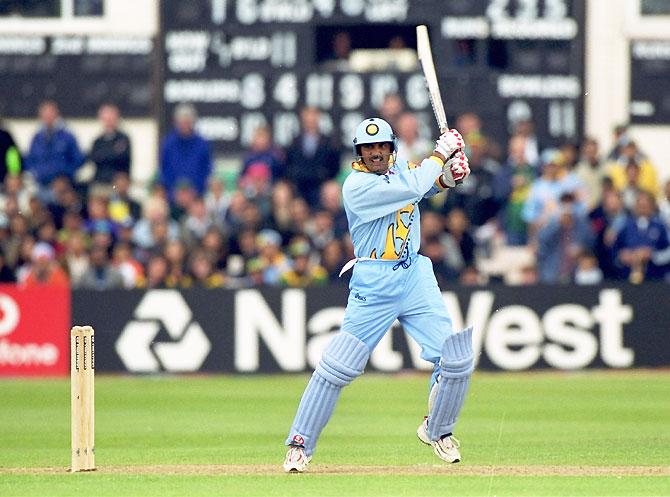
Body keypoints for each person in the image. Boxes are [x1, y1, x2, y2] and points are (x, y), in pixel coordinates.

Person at [283, 117, 473, 472]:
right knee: (338, 366)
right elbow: (412, 187)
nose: (375, 153)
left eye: (381, 146)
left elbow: (421, 188)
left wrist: (447, 178)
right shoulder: (355, 186)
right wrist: (439, 156)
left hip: (414, 273)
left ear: (391, 148)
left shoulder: (400, 168)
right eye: (368, 148)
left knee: (456, 358)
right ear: (359, 153)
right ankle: (299, 443)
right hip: (375, 278)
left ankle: (438, 430)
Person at [24, 100, 85, 191]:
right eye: (45, 114)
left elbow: (78, 159)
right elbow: (30, 159)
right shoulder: (37, 138)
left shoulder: (67, 136)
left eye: (50, 113)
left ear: (57, 114)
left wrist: (65, 175)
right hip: (40, 185)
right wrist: (35, 173)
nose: (48, 117)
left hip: (62, 186)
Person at [159, 103, 212, 201]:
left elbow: (207, 171)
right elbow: (164, 171)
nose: (184, 125)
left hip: (196, 198)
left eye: (187, 122)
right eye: (182, 122)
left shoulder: (203, 144)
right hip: (172, 199)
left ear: (193, 122)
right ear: (176, 122)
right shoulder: (168, 144)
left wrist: (195, 192)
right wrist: (174, 193)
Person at [88, 103, 132, 185]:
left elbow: (121, 157)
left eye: (111, 118)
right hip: (100, 180)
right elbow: (93, 158)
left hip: (117, 183)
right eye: (106, 119)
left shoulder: (123, 139)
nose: (108, 121)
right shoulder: (98, 141)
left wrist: (104, 156)